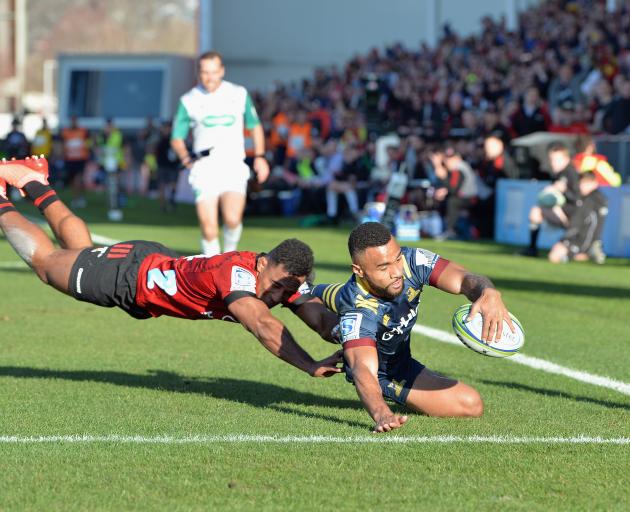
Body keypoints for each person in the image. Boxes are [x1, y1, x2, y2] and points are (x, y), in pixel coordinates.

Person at [0, 157, 342, 379]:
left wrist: (353, 336)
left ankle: (35, 183)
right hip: (127, 278)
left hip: (149, 263)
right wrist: (310, 364)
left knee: (81, 253)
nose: (279, 294)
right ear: (264, 262)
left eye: (287, 290)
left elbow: (321, 320)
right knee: (46, 265)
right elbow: (264, 326)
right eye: (278, 284)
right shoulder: (238, 275)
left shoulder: (281, 278)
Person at [302, 222, 514, 433]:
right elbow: (363, 369)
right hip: (384, 373)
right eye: (384, 267)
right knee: (470, 404)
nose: (397, 272)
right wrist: (381, 413)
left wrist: (487, 292)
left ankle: (312, 290)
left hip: (401, 358)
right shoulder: (358, 312)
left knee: (473, 403)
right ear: (359, 270)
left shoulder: (412, 261)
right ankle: (299, 292)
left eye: (397, 259)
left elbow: (463, 278)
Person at [171, 51, 270, 257]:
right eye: (205, 72)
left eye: (214, 72)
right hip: (204, 168)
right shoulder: (188, 100)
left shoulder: (238, 93)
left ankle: (230, 256)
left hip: (233, 165)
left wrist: (260, 157)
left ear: (222, 71)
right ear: (199, 73)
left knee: (232, 219)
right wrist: (184, 156)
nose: (209, 77)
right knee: (209, 227)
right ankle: (212, 268)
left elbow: (255, 126)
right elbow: (177, 137)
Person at [521, 142, 580, 257]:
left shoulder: (571, 173)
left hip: (573, 216)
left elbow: (578, 199)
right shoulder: (559, 174)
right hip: (562, 212)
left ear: (565, 158)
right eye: (551, 159)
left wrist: (563, 191)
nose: (552, 163)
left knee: (536, 211)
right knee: (536, 211)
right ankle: (532, 248)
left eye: (555, 159)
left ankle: (533, 249)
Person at [548, 171, 608, 264]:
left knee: (554, 256)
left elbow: (579, 223)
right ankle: (589, 251)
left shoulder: (592, 199)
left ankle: (586, 252)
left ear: (593, 183)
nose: (580, 187)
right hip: (580, 237)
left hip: (582, 239)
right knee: (556, 252)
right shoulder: (591, 198)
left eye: (583, 183)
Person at [61, 115, 90, 208]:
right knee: (73, 180)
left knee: (79, 179)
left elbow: (89, 142)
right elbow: (63, 144)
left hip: (80, 159)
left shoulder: (83, 131)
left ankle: (79, 198)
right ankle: (76, 197)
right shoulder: (66, 132)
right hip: (69, 159)